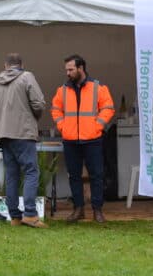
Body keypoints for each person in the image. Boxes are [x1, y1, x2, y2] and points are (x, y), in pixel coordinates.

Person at [0, 53, 47, 228]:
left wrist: (3, 118)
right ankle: (30, 214)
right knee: (31, 172)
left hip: (4, 135)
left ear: (6, 65)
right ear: (21, 64)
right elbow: (39, 104)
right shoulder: (27, 77)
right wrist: (32, 117)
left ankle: (15, 217)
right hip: (23, 133)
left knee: (12, 175)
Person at [51, 54, 115, 223]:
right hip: (71, 139)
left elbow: (108, 108)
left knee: (97, 175)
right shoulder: (62, 90)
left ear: (81, 68)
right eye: (66, 69)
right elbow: (55, 110)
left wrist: (97, 126)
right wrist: (63, 126)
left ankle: (97, 210)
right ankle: (78, 209)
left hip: (92, 139)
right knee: (74, 176)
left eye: (71, 69)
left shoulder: (98, 87)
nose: (68, 73)